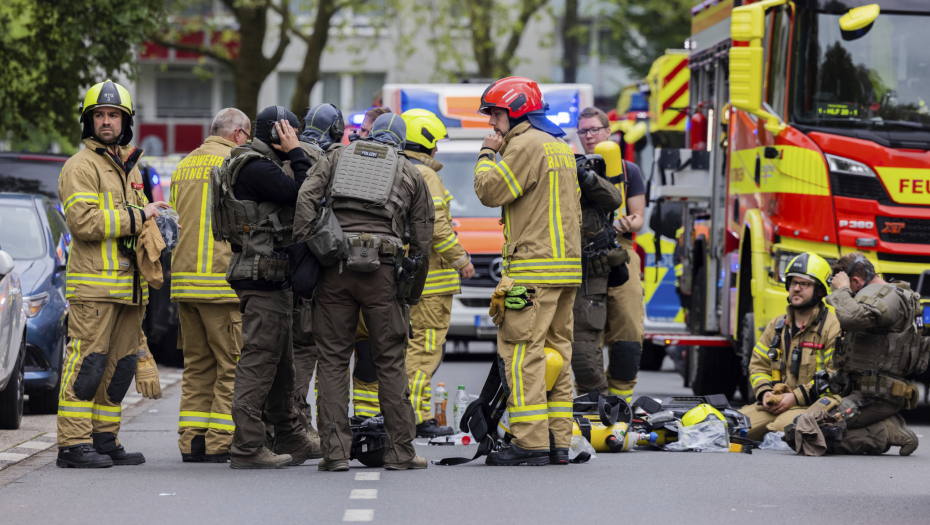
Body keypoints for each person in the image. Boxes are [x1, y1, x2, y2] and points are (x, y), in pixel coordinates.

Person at [293, 113, 434, 471]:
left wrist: (321, 247)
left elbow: (305, 202)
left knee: (333, 361)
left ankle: (335, 454)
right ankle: (401, 453)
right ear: (400, 142)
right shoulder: (411, 173)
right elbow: (421, 241)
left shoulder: (336, 157)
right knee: (389, 361)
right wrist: (410, 293)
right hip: (383, 275)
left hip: (334, 272)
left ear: (370, 134)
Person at [56, 80, 169, 468]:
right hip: (93, 288)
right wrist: (141, 216)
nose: (107, 121)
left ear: (125, 122)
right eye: (100, 115)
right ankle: (72, 445)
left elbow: (136, 223)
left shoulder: (129, 166)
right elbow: (83, 222)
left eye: (114, 115)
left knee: (118, 369)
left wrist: (158, 224)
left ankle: (104, 439)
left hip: (128, 288)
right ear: (89, 122)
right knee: (86, 366)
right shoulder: (80, 166)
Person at [474, 77, 582, 466]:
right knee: (558, 353)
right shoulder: (559, 146)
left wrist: (487, 154)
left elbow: (489, 191)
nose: (492, 124)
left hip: (532, 272)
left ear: (517, 110)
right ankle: (557, 443)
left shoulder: (523, 145)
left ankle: (530, 441)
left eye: (496, 114)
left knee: (521, 353)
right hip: (566, 271)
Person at [214, 105, 319, 469]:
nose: (297, 139)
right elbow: (303, 194)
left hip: (270, 276)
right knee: (259, 361)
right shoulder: (256, 167)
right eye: (292, 133)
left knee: (281, 363)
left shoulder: (254, 163)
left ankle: (289, 434)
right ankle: (247, 448)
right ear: (279, 133)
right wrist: (297, 154)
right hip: (261, 276)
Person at [171, 108, 250, 463]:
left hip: (185, 284)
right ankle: (220, 441)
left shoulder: (183, 165)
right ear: (238, 135)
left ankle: (191, 443)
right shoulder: (236, 163)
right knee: (232, 364)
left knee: (197, 365)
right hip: (221, 285)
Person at [792, 253, 927, 455]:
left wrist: (842, 290)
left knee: (806, 434)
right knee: (796, 428)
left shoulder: (886, 297)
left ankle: (886, 432)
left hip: (877, 397)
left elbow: (852, 319)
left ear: (855, 281)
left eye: (848, 286)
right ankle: (884, 424)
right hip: (863, 394)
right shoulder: (886, 294)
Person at [401, 109, 475, 437]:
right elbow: (438, 229)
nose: (438, 151)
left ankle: (404, 412)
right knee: (424, 348)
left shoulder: (394, 168)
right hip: (430, 283)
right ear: (427, 142)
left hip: (403, 278)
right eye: (437, 144)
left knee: (406, 347)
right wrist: (462, 260)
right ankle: (417, 417)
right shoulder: (426, 175)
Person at [277, 103, 346, 447]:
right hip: (310, 265)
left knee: (278, 348)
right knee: (306, 349)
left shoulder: (285, 151)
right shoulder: (325, 160)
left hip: (276, 264)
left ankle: (275, 427)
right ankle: (300, 426)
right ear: (336, 129)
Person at [577, 107, 646, 404]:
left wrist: (631, 222)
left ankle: (620, 402)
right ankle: (591, 399)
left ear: (608, 132)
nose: (589, 136)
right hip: (585, 258)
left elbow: (639, 215)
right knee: (584, 333)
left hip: (621, 251)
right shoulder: (574, 168)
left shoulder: (629, 171)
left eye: (595, 129)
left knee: (628, 329)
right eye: (584, 131)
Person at [736, 253, 840, 441]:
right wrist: (766, 393)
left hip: (815, 404)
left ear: (820, 291)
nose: (797, 289)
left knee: (779, 429)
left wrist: (794, 398)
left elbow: (835, 377)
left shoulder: (833, 328)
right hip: (777, 402)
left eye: (805, 284)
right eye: (793, 283)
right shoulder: (777, 326)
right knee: (735, 426)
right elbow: (758, 366)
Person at [568, 143, 625, 398]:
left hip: (589, 279)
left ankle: (597, 405)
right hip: (552, 275)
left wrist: (587, 177)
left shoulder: (590, 188)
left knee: (583, 351)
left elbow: (614, 199)